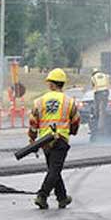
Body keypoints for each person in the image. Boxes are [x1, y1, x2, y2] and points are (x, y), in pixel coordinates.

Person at [28, 68, 81, 209]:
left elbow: (33, 122)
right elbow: (75, 121)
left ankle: (62, 198)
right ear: (62, 84)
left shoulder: (39, 101)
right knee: (54, 170)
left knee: (54, 169)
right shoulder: (69, 102)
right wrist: (72, 132)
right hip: (61, 139)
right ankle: (42, 195)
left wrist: (32, 139)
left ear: (51, 84)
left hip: (45, 141)